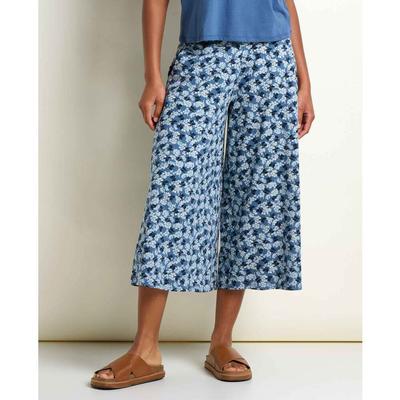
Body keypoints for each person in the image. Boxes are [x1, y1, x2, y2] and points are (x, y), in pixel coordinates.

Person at [90, 0, 315, 389]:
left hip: (272, 58)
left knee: (253, 199)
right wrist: (152, 76)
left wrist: (304, 78)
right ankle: (146, 349)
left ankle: (222, 342)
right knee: (174, 191)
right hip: (202, 54)